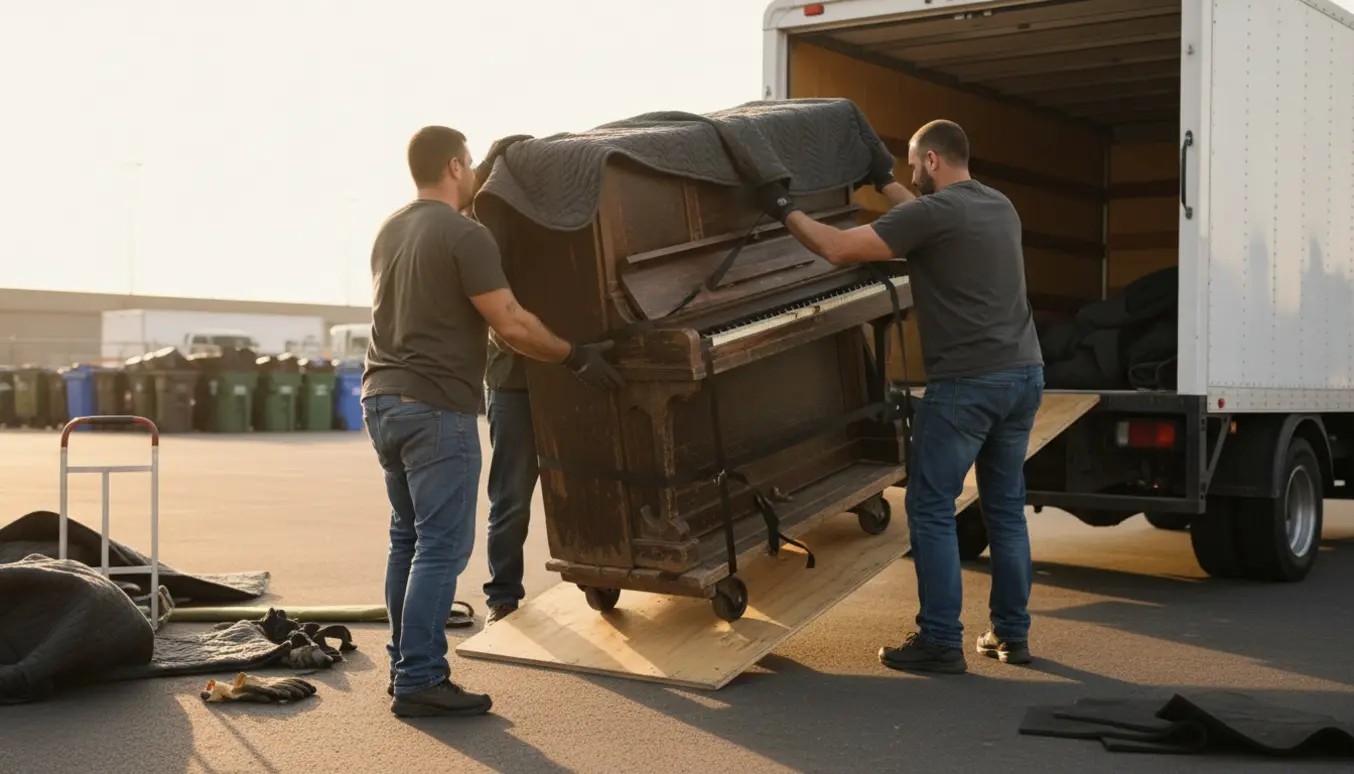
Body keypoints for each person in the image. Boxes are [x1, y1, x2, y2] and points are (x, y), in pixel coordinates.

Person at [755, 119, 1044, 674]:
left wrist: (781, 206)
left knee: (931, 507)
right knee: (1006, 510)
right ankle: (1012, 635)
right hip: (1023, 375)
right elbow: (925, 215)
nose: (911, 176)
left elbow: (836, 248)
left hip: (967, 384)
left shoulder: (933, 214)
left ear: (932, 160)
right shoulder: (998, 205)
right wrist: (883, 180)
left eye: (913, 166)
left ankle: (940, 640)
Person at [361, 125, 623, 718]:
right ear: (455, 166)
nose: (476, 172)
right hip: (435, 408)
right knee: (440, 547)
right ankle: (421, 678)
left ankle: (405, 667)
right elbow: (511, 322)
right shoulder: (465, 234)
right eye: (470, 162)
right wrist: (575, 355)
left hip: (381, 400)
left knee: (408, 539)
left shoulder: (389, 228)